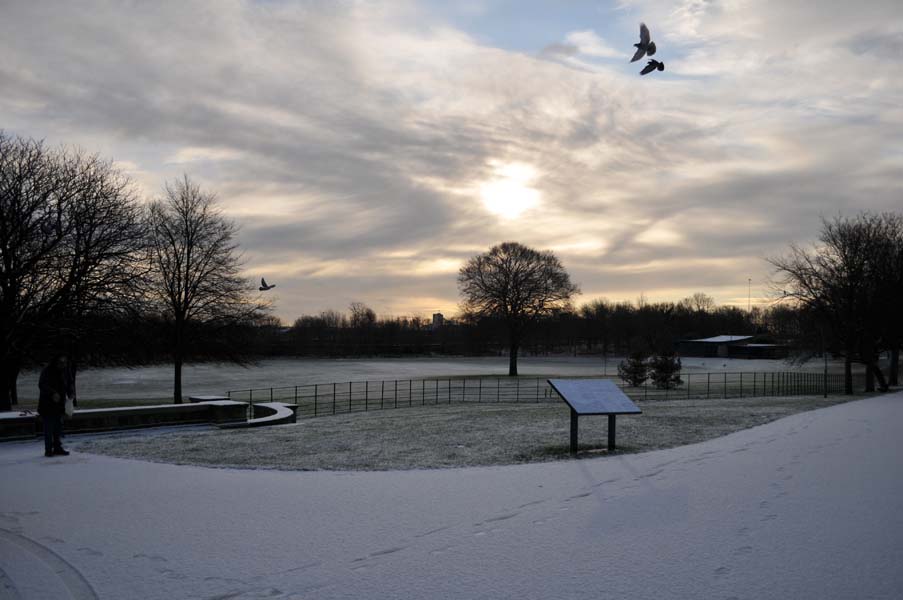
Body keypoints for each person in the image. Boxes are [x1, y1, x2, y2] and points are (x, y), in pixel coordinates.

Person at [38, 354, 75, 457]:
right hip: (47, 403)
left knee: (58, 427)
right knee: (49, 428)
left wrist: (71, 392)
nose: (63, 364)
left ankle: (57, 448)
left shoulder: (66, 370)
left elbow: (70, 383)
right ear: (56, 362)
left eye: (65, 362)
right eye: (61, 362)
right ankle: (48, 449)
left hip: (60, 403)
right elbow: (42, 385)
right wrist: (52, 393)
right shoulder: (47, 370)